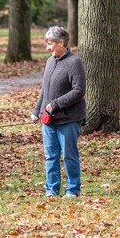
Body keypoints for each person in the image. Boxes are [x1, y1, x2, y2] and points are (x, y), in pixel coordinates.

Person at [31, 26, 86, 198]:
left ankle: (73, 190)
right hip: (49, 120)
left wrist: (56, 104)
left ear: (61, 43)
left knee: (69, 155)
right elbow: (44, 91)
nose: (47, 48)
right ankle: (52, 189)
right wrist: (37, 111)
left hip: (68, 119)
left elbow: (78, 91)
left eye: (50, 44)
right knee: (50, 156)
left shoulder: (74, 63)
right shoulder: (50, 61)